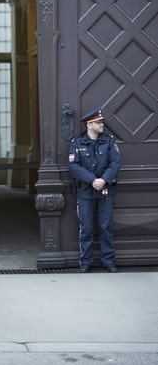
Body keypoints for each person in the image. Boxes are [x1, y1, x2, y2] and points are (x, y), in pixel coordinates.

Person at [68, 109, 121, 273]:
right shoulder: (77, 143)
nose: (102, 124)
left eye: (101, 122)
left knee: (106, 227)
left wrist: (103, 180)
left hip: (105, 191)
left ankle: (108, 261)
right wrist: (93, 180)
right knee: (86, 228)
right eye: (98, 122)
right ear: (89, 125)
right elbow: (73, 166)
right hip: (85, 192)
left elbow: (115, 162)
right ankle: (85, 262)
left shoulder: (109, 142)